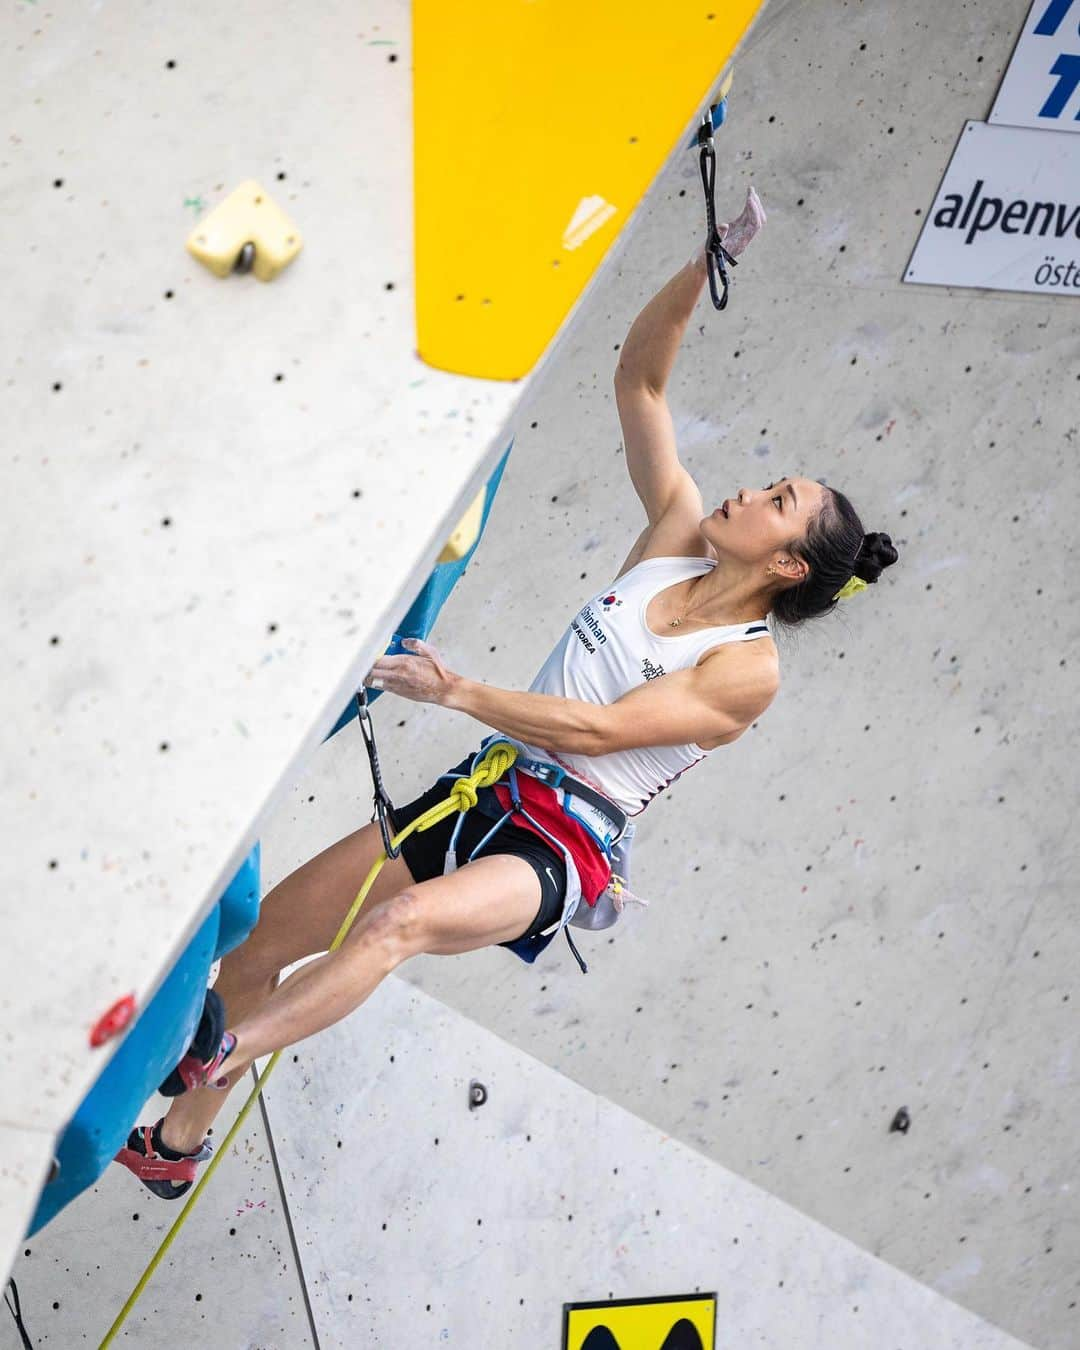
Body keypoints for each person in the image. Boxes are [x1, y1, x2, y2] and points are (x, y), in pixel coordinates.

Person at [116, 187, 898, 1197]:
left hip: (560, 845)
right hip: (484, 788)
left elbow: (601, 728)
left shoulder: (749, 668)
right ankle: (175, 1148)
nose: (747, 493)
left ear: (790, 567)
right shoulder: (673, 536)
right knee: (259, 942)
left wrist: (458, 691)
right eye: (766, 482)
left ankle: (212, 1059)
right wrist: (704, 266)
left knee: (394, 930)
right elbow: (641, 384)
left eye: (775, 502)